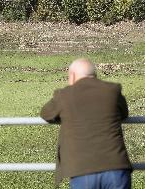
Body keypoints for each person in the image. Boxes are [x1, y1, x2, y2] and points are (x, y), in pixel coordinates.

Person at [40, 58, 132, 189]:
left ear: (72, 76)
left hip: (82, 171)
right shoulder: (113, 90)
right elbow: (124, 113)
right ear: (95, 75)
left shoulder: (65, 95)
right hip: (116, 167)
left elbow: (46, 113)